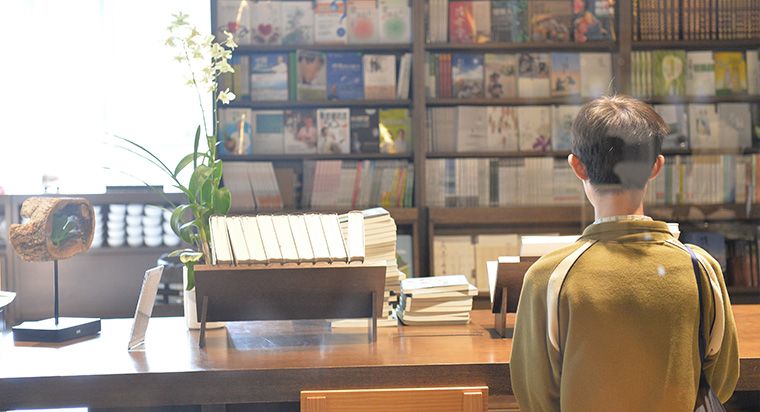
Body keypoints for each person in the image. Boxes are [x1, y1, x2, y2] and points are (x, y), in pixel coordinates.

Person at [510, 95, 739, 411]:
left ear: (577, 166)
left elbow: (535, 397)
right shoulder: (701, 268)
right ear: (656, 167)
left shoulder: (547, 277)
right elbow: (722, 382)